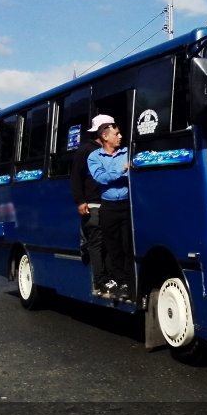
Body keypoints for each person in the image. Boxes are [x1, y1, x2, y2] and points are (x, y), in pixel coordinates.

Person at [87, 120, 133, 299]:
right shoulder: (94, 157)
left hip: (127, 205)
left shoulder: (127, 152)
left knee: (127, 246)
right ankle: (119, 281)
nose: (121, 136)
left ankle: (129, 282)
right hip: (109, 208)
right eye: (117, 134)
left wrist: (117, 172)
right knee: (113, 247)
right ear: (105, 137)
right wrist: (121, 170)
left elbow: (132, 171)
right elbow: (101, 178)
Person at [70, 114, 114, 294]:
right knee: (96, 243)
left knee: (110, 242)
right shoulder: (86, 150)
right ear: (103, 131)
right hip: (93, 203)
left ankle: (111, 277)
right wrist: (80, 201)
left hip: (110, 203)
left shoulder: (111, 149)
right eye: (112, 127)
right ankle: (100, 280)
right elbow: (76, 177)